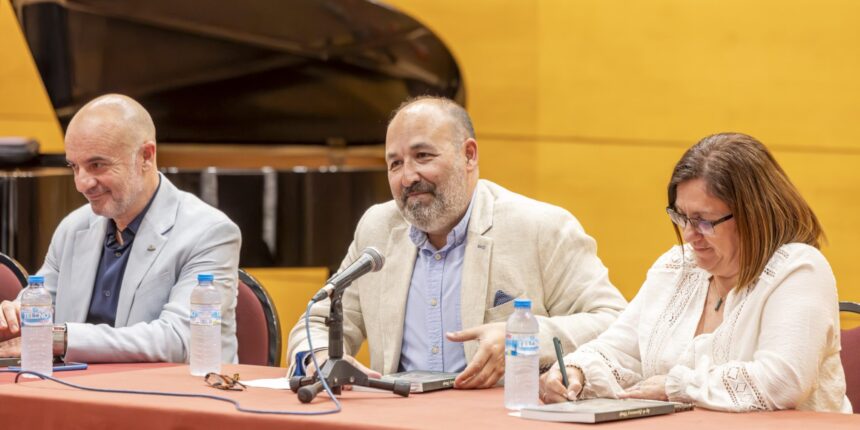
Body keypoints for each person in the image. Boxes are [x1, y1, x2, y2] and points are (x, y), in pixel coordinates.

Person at [287, 96, 627, 389]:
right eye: (395, 163)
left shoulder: (541, 228)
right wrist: (318, 358)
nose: (407, 177)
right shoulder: (377, 227)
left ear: (469, 155)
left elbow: (613, 322)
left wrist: (522, 337)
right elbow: (317, 321)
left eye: (423, 156)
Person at [540, 132, 851, 412]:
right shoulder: (676, 267)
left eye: (704, 220)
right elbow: (619, 348)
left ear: (753, 215)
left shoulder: (798, 269)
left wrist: (676, 387)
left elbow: (782, 381)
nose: (689, 234)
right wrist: (574, 370)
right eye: (681, 217)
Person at [0, 94, 241, 363]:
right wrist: (18, 315)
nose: (82, 183)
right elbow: (40, 308)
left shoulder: (209, 232)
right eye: (74, 167)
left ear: (146, 157)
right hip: (77, 393)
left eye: (97, 165)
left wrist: (60, 338)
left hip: (170, 398)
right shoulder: (73, 228)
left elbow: (179, 340)